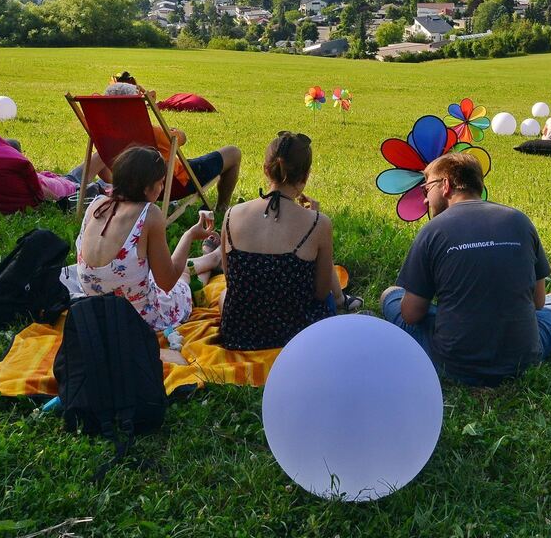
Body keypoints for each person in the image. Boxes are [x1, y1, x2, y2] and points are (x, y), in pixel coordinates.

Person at [380, 153, 551, 386]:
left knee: (391, 294)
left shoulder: (432, 231)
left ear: (445, 185)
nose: (425, 200)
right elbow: (538, 303)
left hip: (454, 364)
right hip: (523, 358)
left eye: (426, 189)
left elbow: (411, 314)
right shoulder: (519, 220)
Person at [218, 131, 356, 351]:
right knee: (329, 301)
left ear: (266, 169)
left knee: (224, 295)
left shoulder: (231, 214)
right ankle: (344, 301)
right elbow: (320, 293)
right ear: (306, 175)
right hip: (298, 336)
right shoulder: (319, 223)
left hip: (240, 333)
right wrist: (315, 219)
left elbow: (230, 280)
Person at [76, 145, 216, 331]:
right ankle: (214, 259)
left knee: (162, 272)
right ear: (145, 187)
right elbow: (167, 282)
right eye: (160, 182)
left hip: (96, 313)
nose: (162, 188)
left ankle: (210, 258)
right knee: (183, 282)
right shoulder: (149, 214)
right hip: (137, 318)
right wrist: (189, 236)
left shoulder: (96, 205)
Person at [77, 81, 241, 214]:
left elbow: (106, 176)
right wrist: (174, 132)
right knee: (233, 152)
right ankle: (221, 208)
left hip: (131, 185)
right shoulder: (154, 134)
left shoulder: (106, 137)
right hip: (173, 183)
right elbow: (182, 138)